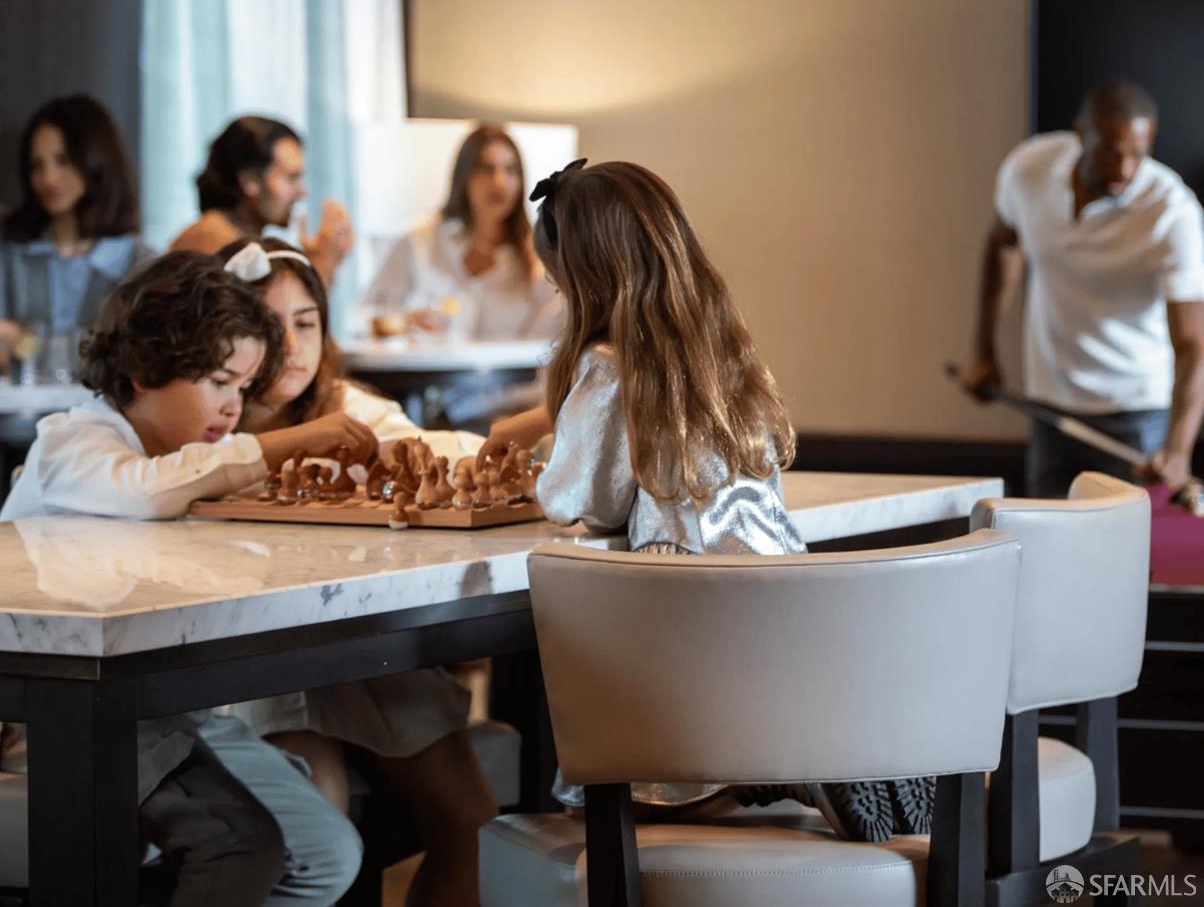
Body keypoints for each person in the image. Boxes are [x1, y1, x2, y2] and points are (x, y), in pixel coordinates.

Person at [482, 158, 933, 844]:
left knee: (610, 794)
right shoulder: (723, 356)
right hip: (783, 606)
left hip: (690, 615)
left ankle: (778, 761)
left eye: (560, 284)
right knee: (742, 720)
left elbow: (583, 498)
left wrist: (547, 455)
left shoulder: (607, 367)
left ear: (588, 282)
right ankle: (799, 753)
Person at [0, 249, 374, 906]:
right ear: (143, 368)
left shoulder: (184, 459)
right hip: (66, 711)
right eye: (220, 381)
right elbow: (143, 493)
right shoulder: (74, 442)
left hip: (166, 703)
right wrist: (291, 442)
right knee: (241, 843)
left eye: (245, 389)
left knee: (329, 855)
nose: (233, 407)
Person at [218, 236, 494, 907]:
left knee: (471, 818)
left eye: (306, 323)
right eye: (266, 325)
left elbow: (430, 455)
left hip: (355, 650)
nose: (292, 345)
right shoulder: (205, 420)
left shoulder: (351, 408)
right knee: (320, 807)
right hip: (250, 660)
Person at [961, 80, 1204, 498]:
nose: (1125, 169)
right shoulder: (1029, 169)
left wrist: (1178, 451)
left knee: (1122, 559)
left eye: (1139, 155)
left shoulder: (1172, 212)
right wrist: (983, 351)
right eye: (1111, 150)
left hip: (1135, 413)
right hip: (1050, 406)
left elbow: (1193, 342)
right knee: (1048, 552)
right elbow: (1001, 244)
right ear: (1081, 133)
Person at [0, 94, 155, 360]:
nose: (48, 179)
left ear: (98, 159)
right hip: (10, 401)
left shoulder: (140, 261)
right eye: (36, 166)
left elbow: (112, 360)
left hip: (99, 402)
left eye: (63, 160)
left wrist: (21, 341)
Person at [364, 124, 560, 341]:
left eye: (511, 170)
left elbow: (550, 339)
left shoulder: (539, 257)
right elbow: (369, 319)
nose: (499, 182)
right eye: (486, 169)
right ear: (464, 176)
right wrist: (404, 322)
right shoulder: (419, 243)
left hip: (514, 374)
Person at [170, 116, 354, 286]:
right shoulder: (210, 239)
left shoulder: (242, 239)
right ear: (250, 181)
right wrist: (322, 265)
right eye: (291, 178)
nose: (302, 192)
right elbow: (274, 321)